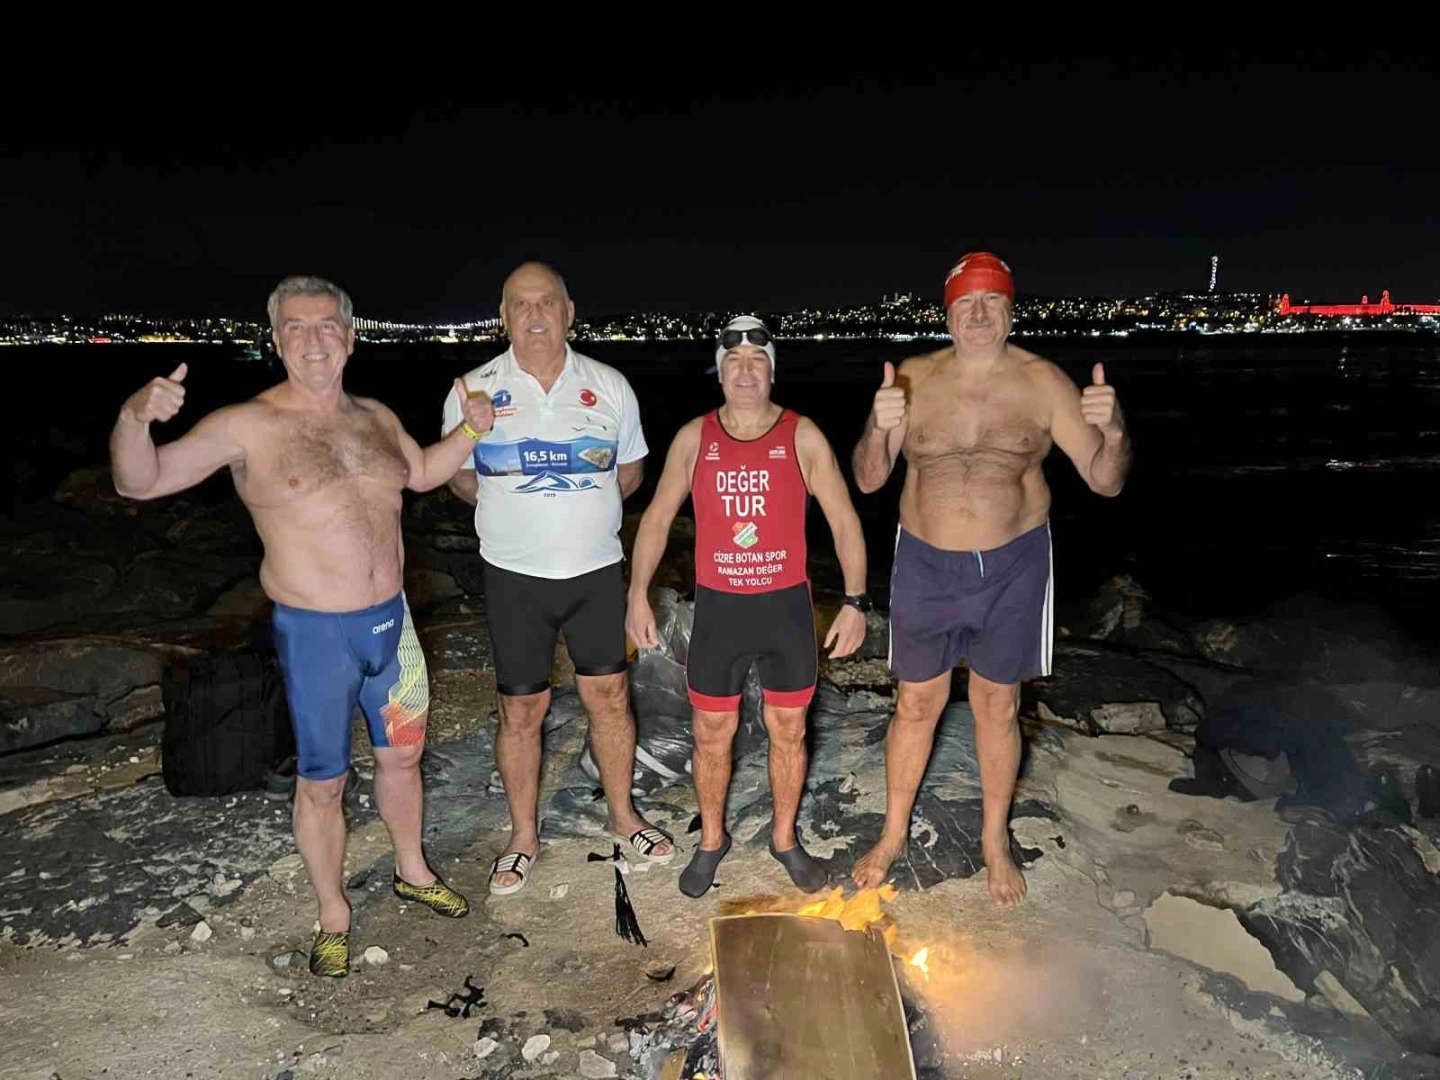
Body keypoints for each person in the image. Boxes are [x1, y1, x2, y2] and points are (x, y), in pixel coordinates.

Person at [110, 275, 489, 975]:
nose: (313, 341)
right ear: (276, 341)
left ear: (350, 336)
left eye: (326, 326)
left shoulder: (377, 417)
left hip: (393, 628)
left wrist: (470, 430)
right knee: (323, 782)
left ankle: (412, 870)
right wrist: (135, 418)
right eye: (295, 328)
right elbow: (140, 481)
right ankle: (333, 913)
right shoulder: (246, 425)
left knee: (402, 759)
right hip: (316, 638)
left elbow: (422, 474)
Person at [849, 253, 1131, 905]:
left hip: (1014, 565)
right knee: (915, 704)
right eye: (966, 303)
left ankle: (994, 839)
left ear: (1010, 311)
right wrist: (876, 426)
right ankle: (892, 834)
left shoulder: (1044, 383)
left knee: (998, 705)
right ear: (948, 314)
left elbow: (1105, 481)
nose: (978, 314)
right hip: (925, 562)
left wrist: (1113, 432)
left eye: (991, 301)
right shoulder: (912, 378)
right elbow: (868, 478)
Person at [442, 262, 673, 897]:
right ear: (503, 316)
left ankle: (623, 816)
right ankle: (523, 837)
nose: (535, 315)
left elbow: (629, 473)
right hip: (514, 577)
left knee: (611, 697)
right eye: (521, 304)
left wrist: (575, 515)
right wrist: (520, 513)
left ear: (570, 312)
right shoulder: (472, 389)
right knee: (521, 709)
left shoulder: (610, 385)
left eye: (547, 302)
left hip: (595, 572)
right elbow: (458, 475)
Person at [626, 316, 870, 897]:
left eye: (757, 360)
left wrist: (856, 601)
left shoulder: (802, 435)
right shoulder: (695, 437)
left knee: (789, 728)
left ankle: (784, 839)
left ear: (771, 371)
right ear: (720, 372)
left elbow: (843, 518)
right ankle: (712, 840)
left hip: (785, 610)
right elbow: (657, 517)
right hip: (720, 611)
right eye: (733, 360)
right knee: (712, 731)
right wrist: (637, 594)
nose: (744, 370)